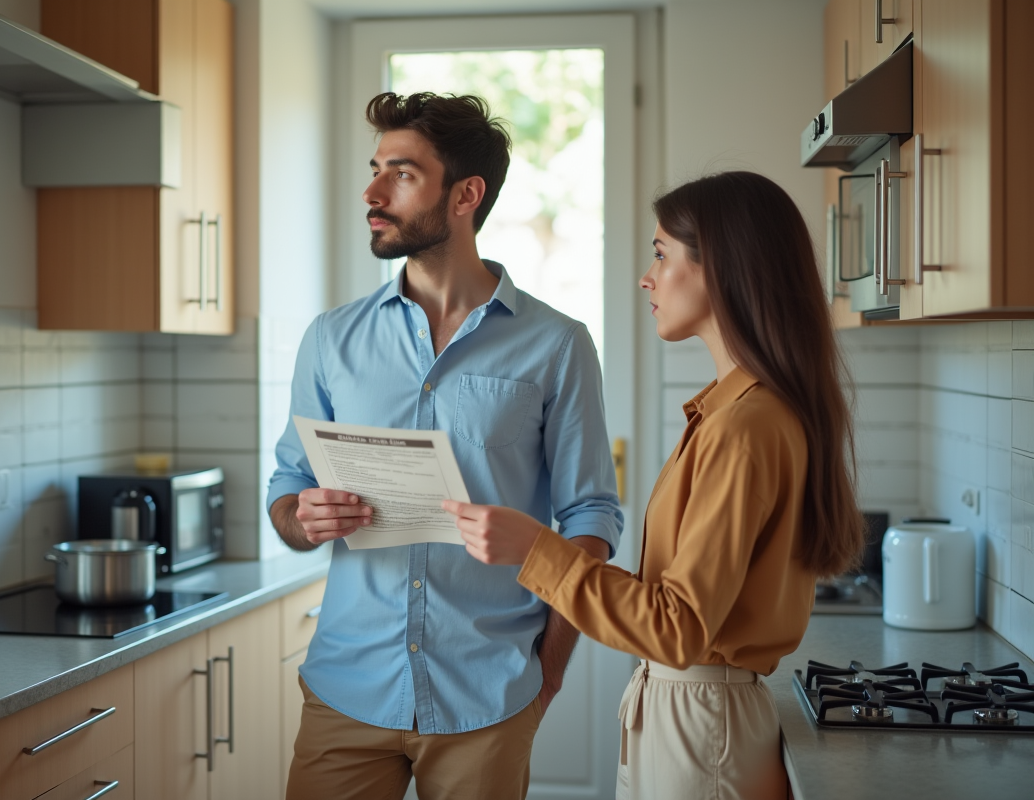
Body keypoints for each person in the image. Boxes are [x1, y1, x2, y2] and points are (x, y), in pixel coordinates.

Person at [443, 171, 863, 800]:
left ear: (719, 269)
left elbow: (677, 627)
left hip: (701, 727)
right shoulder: (737, 412)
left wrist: (535, 550)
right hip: (695, 716)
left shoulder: (745, 426)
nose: (646, 276)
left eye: (662, 253)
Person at [267, 91, 624, 800]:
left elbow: (591, 518)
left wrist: (546, 675)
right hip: (345, 690)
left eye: (401, 173)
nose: (372, 191)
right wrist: (301, 517)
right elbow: (287, 483)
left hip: (488, 697)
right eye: (375, 169)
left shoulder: (557, 344)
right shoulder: (330, 339)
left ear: (466, 194)